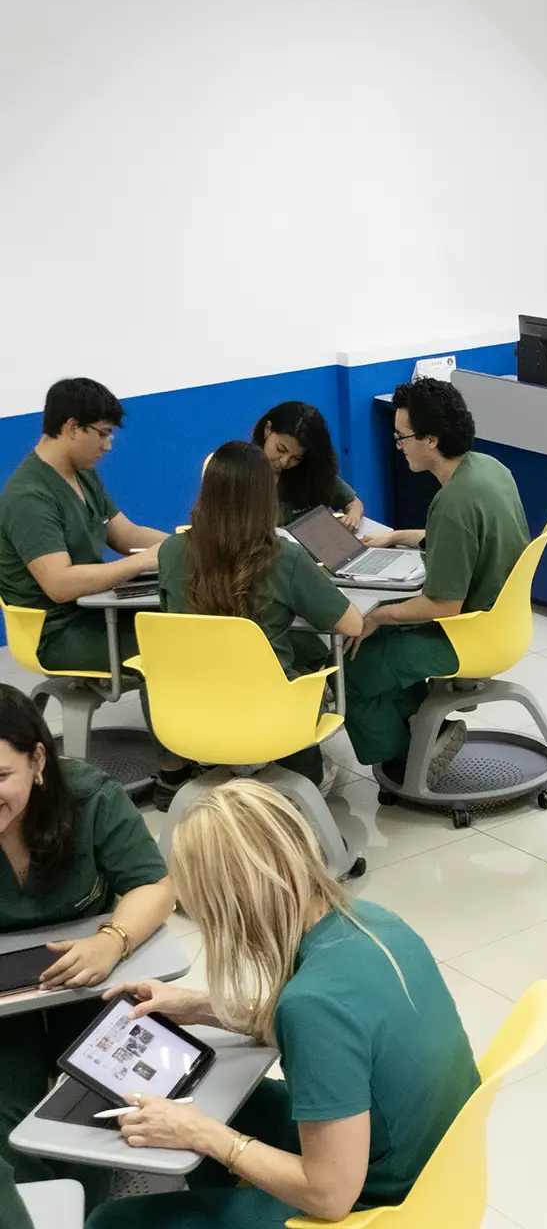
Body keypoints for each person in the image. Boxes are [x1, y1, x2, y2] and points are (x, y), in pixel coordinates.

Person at [86, 779, 479, 1228]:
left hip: (384, 1204)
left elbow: (330, 1195)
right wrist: (198, 1006)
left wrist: (204, 1134)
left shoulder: (311, 1005)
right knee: (224, 1102)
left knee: (108, 1222)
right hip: (433, 1164)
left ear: (230, 906)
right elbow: (344, 1036)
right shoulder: (372, 922)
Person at [0, 685, 173, 1229]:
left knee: (102, 1084)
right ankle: (35, 1205)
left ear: (38, 760)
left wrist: (112, 939)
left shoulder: (90, 796)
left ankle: (98, 1204)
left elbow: (155, 887)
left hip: (92, 975)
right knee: (4, 1105)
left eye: (0, 778)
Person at [344, 378, 528, 789]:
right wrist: (398, 537)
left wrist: (377, 615)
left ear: (430, 439)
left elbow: (443, 607)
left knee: (353, 667)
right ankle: (426, 731)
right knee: (382, 642)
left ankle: (405, 761)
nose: (399, 446)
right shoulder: (488, 470)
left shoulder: (451, 503)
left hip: (466, 635)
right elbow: (462, 540)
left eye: (402, 437)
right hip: (502, 622)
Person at [153, 442, 362, 788]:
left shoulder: (171, 553)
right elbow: (351, 623)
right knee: (308, 663)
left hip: (192, 712)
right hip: (273, 715)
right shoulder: (284, 558)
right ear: (267, 498)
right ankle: (304, 778)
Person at [0, 379, 166, 675]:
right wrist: (140, 561)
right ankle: (170, 720)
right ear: (72, 427)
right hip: (59, 633)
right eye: (102, 434)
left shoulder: (82, 474)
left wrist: (187, 544)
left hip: (94, 611)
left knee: (187, 617)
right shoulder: (28, 497)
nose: (107, 445)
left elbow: (127, 535)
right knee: (174, 645)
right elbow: (60, 584)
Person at [253, 401, 363, 529]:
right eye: (281, 449)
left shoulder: (309, 472)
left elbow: (354, 503)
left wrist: (352, 517)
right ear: (267, 429)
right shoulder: (243, 471)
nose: (284, 461)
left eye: (296, 458)